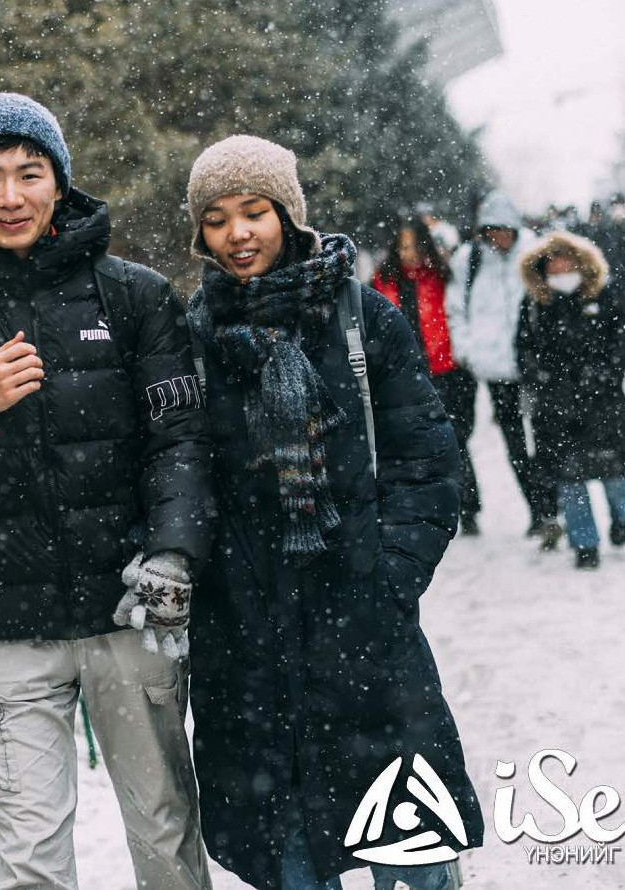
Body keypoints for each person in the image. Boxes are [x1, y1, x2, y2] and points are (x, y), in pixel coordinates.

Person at [0, 92, 215, 890]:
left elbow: (181, 442)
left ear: (60, 182)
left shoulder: (134, 297)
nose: (11, 196)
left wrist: (172, 553)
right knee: (29, 861)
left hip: (128, 612)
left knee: (164, 834)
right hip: (5, 628)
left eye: (30, 173)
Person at [184, 135, 483, 890]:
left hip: (363, 622)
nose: (237, 233)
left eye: (254, 211)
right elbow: (180, 473)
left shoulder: (360, 318)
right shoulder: (193, 337)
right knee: (290, 846)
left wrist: (389, 578)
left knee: (409, 842)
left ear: (288, 214)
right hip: (249, 636)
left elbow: (427, 462)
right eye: (216, 219)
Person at [518, 231, 625, 569]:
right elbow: (524, 348)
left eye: (565, 261)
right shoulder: (536, 303)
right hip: (556, 408)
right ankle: (585, 545)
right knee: (570, 479)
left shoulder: (604, 296)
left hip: (603, 403)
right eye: (552, 263)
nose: (560, 268)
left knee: (615, 474)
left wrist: (604, 374)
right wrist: (542, 378)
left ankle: (621, 523)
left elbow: (619, 341)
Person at [445, 190, 545, 538]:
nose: (498, 237)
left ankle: (546, 509)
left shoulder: (534, 253)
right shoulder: (470, 259)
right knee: (513, 441)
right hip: (488, 364)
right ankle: (536, 510)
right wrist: (468, 351)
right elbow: (455, 308)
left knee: (544, 440)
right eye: (491, 230)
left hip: (530, 364)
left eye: (503, 230)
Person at [372, 218, 479, 525]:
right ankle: (431, 505)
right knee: (414, 445)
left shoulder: (441, 276)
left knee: (454, 440)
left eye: (414, 246)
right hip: (402, 374)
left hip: (444, 370)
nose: (409, 253)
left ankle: (467, 505)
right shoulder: (382, 280)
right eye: (403, 247)